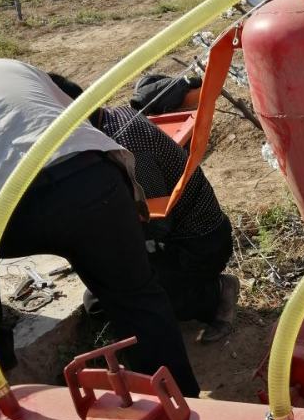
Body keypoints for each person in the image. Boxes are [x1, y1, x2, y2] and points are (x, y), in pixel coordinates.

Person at [0, 59, 200, 397]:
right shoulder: (6, 67)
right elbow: (85, 110)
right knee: (137, 301)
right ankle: (182, 408)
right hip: (90, 180)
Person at [48, 74, 239, 343]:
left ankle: (216, 294)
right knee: (99, 302)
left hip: (197, 245)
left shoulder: (130, 148)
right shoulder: (108, 122)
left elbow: (158, 221)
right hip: (173, 237)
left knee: (132, 297)